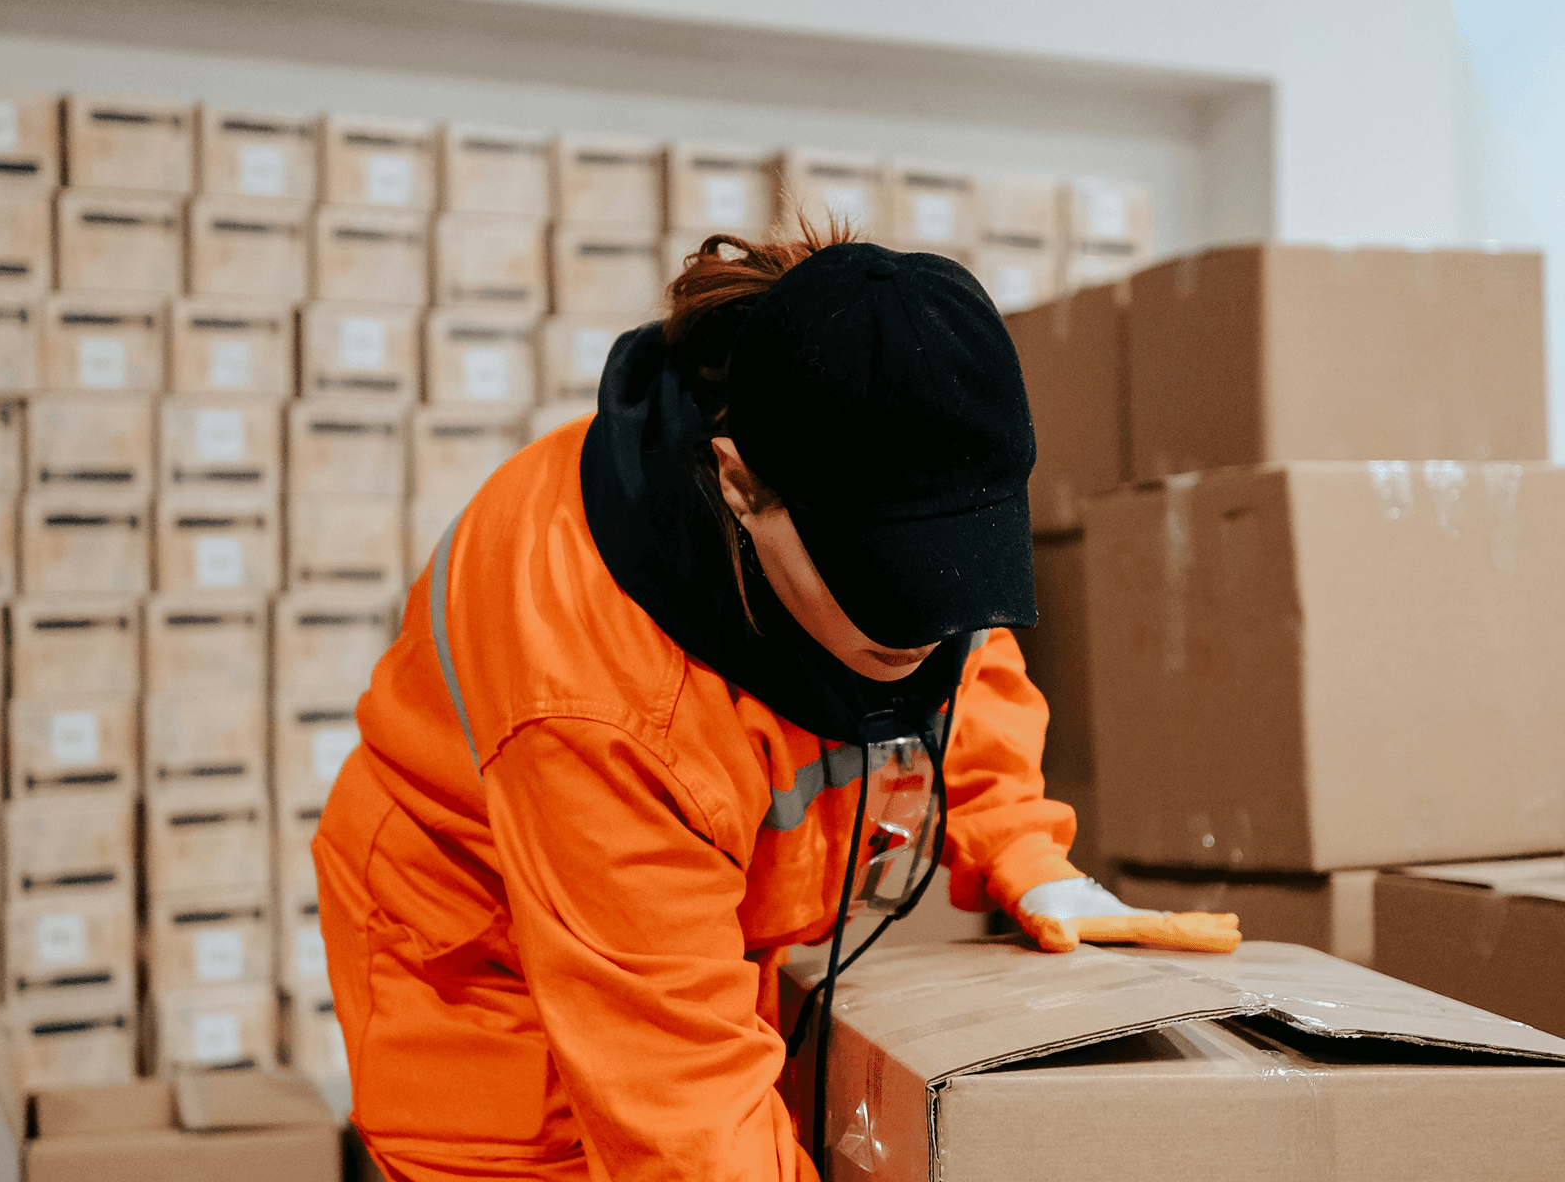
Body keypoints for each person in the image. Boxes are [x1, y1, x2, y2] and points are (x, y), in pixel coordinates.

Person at [314, 226, 1239, 1182]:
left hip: (677, 943)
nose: (921, 634)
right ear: (741, 485)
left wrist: (1020, 844)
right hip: (481, 975)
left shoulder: (894, 473)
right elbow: (686, 1113)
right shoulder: (604, 693)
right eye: (885, 587)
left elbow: (966, 668)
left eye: (947, 580)